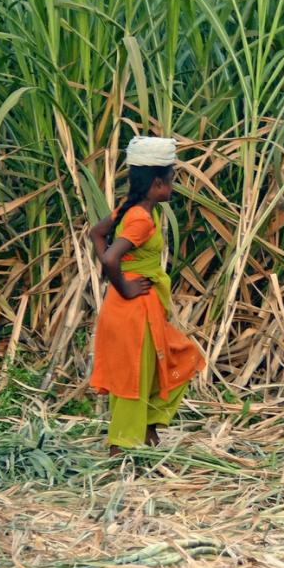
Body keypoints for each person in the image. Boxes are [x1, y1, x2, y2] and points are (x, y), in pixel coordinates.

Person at [89, 136, 204, 456]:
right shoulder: (140, 219)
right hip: (133, 308)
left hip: (140, 306)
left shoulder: (133, 209)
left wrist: (123, 281)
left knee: (177, 358)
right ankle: (121, 447)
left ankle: (148, 425)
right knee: (133, 377)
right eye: (171, 180)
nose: (173, 186)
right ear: (157, 183)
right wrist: (124, 285)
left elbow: (96, 234)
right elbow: (111, 257)